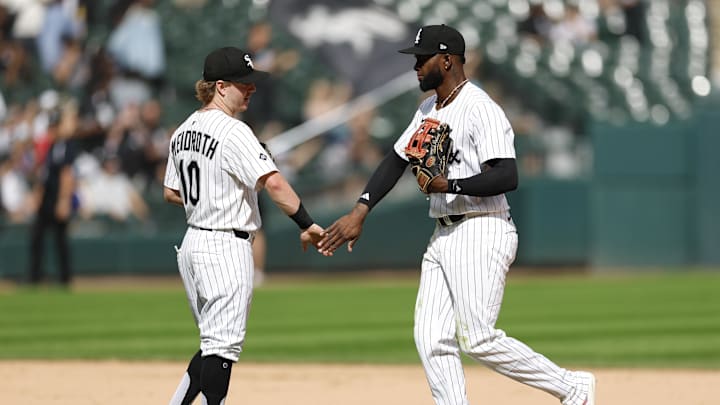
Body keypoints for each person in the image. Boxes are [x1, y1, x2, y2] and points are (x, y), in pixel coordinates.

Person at [319, 24, 596, 405]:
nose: (416, 66)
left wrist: (450, 185)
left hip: (482, 227)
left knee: (477, 337)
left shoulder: (480, 108)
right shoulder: (428, 109)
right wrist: (359, 210)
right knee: (431, 337)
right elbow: (396, 159)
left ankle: (573, 387)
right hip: (444, 234)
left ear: (447, 60)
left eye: (422, 58)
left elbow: (507, 174)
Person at [163, 46, 324, 405]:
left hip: (193, 244)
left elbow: (171, 192)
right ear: (220, 86)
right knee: (222, 349)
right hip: (225, 246)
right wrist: (307, 223)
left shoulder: (183, 130)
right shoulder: (234, 132)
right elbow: (277, 185)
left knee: (211, 343)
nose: (251, 88)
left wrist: (210, 193)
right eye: (242, 83)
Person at [28, 106, 78, 286]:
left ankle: (65, 278)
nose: (51, 131)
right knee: (37, 237)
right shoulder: (51, 147)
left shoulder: (66, 145)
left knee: (60, 240)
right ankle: (35, 276)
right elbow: (44, 175)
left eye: (53, 127)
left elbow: (67, 174)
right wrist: (37, 196)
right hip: (47, 199)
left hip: (58, 198)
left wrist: (64, 201)